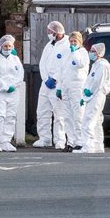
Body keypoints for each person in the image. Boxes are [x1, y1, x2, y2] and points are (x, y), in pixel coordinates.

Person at [33, 21, 70, 149]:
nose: (49, 34)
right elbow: (42, 64)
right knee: (42, 111)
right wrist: (46, 79)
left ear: (57, 32)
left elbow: (65, 67)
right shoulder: (49, 45)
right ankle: (44, 138)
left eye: (50, 31)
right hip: (46, 84)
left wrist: (55, 80)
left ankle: (60, 140)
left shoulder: (67, 45)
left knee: (59, 113)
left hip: (58, 85)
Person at [0, 34, 25, 152]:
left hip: (13, 92)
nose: (8, 48)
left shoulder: (15, 59)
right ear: (0, 46)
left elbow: (20, 74)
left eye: (10, 46)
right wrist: (4, 87)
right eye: (6, 46)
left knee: (10, 116)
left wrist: (13, 86)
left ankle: (5, 141)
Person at [74, 43, 110, 153]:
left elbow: (97, 82)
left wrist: (89, 92)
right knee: (97, 120)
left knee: (88, 120)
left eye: (93, 51)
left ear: (99, 53)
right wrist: (85, 97)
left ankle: (88, 146)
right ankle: (97, 145)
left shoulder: (102, 65)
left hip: (96, 95)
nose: (90, 53)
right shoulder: (97, 64)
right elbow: (92, 81)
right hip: (93, 96)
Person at [56, 31, 89, 152]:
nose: (72, 43)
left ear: (80, 42)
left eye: (75, 41)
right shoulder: (67, 53)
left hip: (77, 87)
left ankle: (80, 141)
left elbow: (79, 64)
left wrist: (74, 51)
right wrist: (59, 87)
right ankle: (70, 141)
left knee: (78, 115)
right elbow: (62, 70)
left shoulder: (82, 53)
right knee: (67, 116)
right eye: (71, 41)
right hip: (66, 87)